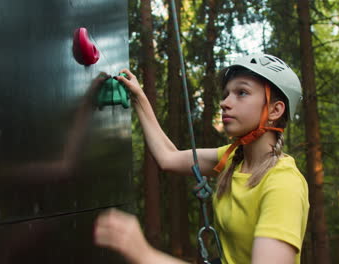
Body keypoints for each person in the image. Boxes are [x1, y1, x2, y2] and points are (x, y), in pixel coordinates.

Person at [94, 53, 309, 264]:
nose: (225, 102)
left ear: (275, 110)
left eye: (241, 92)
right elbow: (168, 157)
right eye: (226, 94)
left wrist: (144, 255)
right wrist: (139, 97)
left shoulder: (283, 185)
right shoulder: (232, 158)